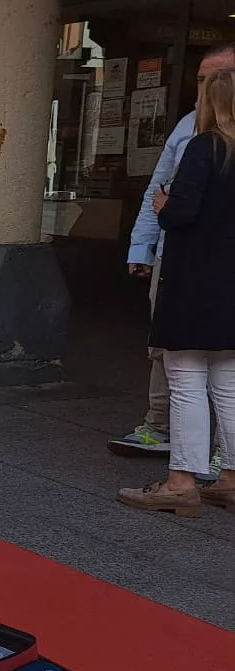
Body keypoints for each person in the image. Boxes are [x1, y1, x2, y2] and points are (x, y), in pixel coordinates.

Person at [118, 67, 235, 518]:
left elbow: (181, 214)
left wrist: (164, 205)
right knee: (229, 383)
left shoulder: (205, 146)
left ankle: (180, 482)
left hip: (195, 281)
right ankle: (230, 478)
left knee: (185, 380)